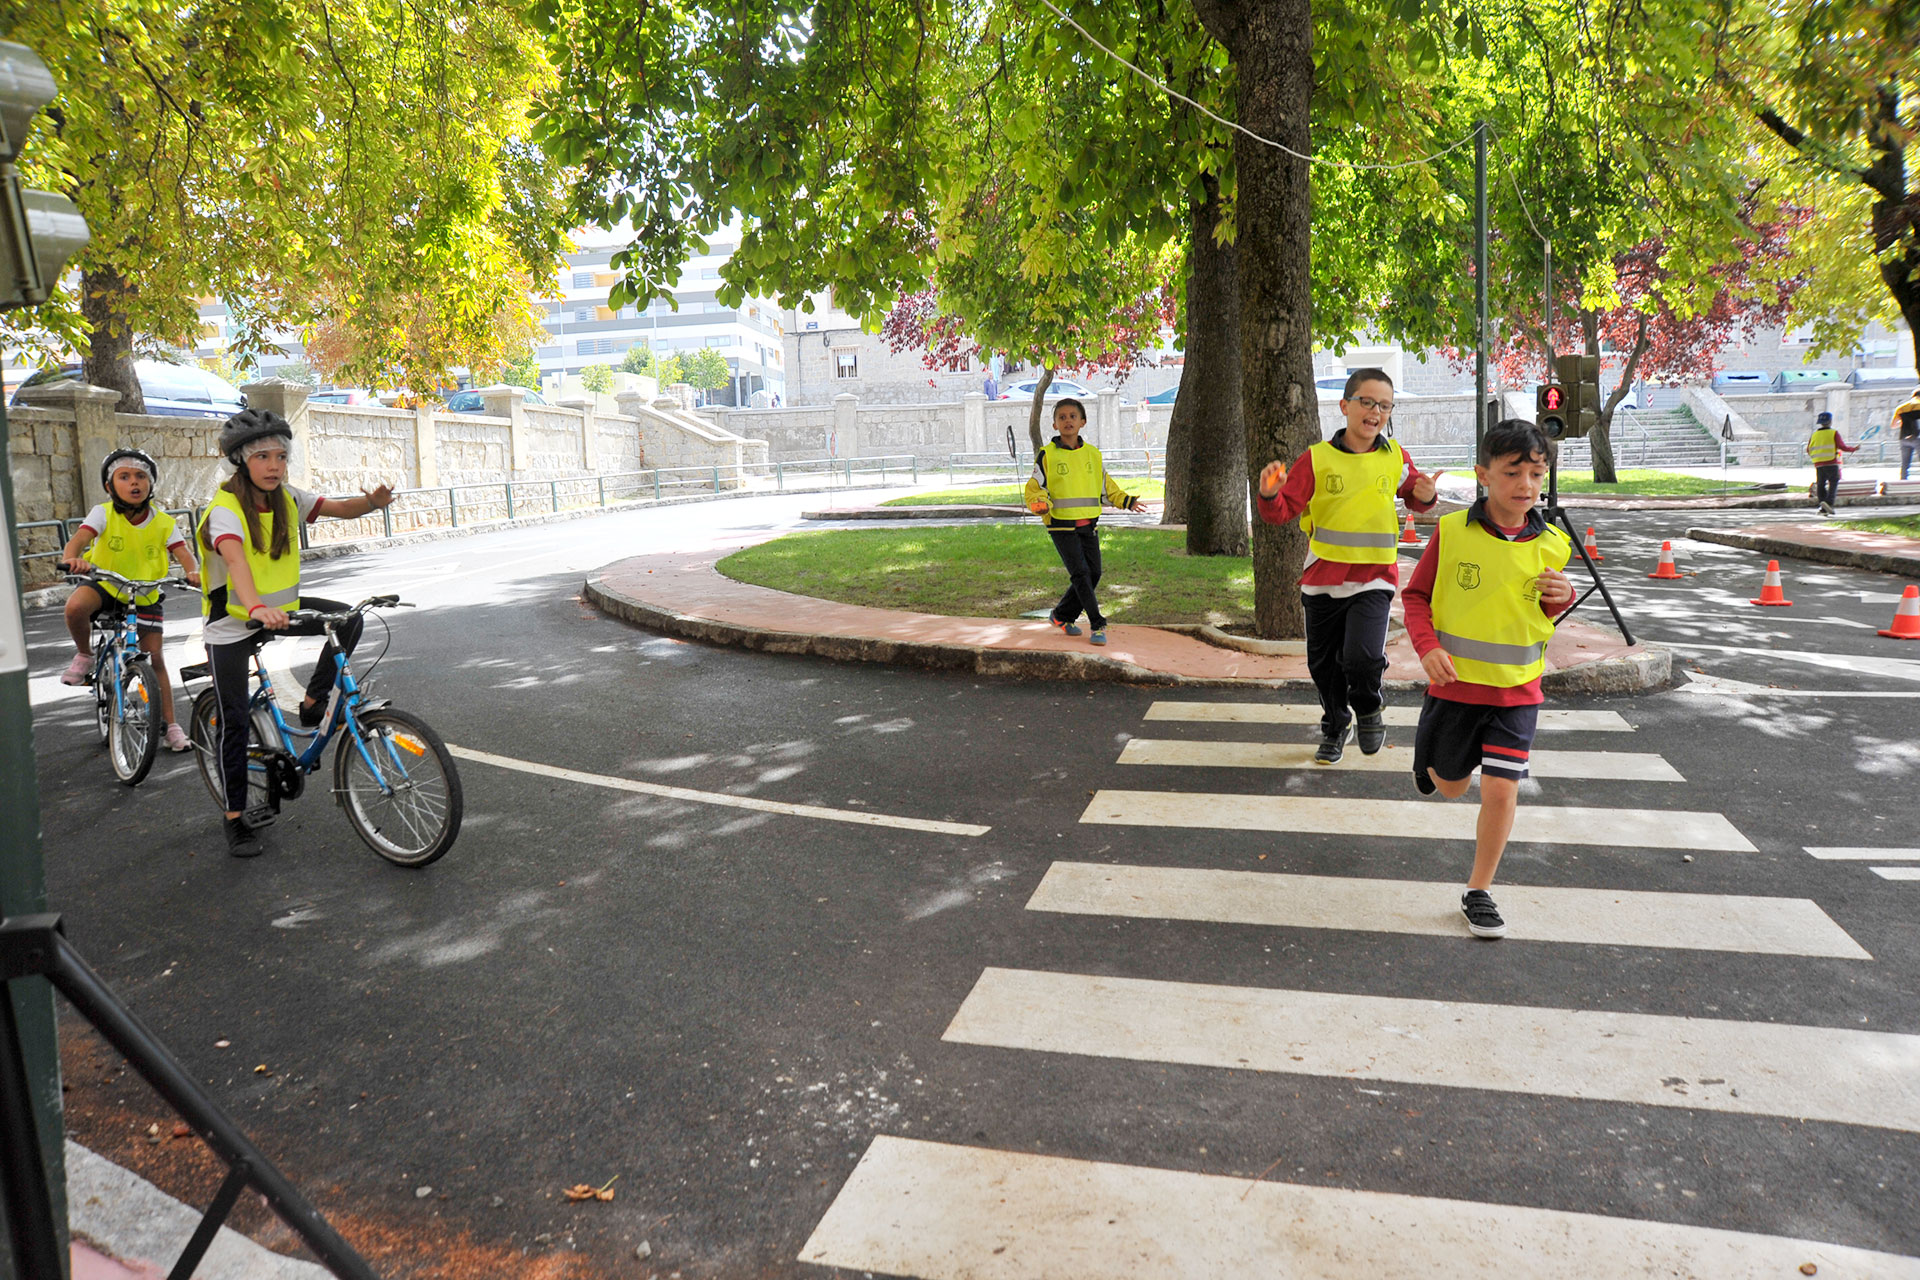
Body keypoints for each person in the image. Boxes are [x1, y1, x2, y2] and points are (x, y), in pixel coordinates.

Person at [1401, 418, 1575, 939]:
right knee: (1450, 788)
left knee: (1501, 791)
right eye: (1512, 472)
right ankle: (1432, 757)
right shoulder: (1452, 533)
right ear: (1483, 475)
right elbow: (1415, 598)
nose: (1525, 485)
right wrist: (1427, 649)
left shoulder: (1554, 544)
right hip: (1455, 689)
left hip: (1518, 693)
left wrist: (1559, 597)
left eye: (1536, 473)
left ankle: (1479, 891)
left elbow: (1542, 613)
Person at [197, 409, 395, 856]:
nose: (274, 465)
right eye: (263, 456)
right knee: (233, 721)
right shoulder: (224, 510)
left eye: (281, 456)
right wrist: (255, 607)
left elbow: (339, 508)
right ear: (240, 461)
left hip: (278, 611)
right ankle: (234, 819)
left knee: (349, 618)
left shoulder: (286, 498)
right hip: (232, 622)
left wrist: (373, 503)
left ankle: (312, 704)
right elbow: (236, 563)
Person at [1255, 368, 1439, 764]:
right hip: (1321, 581)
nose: (1376, 411)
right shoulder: (1316, 459)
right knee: (1323, 668)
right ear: (1345, 406)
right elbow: (1282, 511)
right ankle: (1336, 726)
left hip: (1373, 578)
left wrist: (1426, 495)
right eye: (1367, 402)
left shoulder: (1395, 457)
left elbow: (1415, 495)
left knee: (1361, 657)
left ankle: (1369, 707)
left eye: (1385, 405)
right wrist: (1269, 495)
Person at [57, 449, 201, 751]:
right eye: (124, 477)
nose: (134, 483)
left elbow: (183, 552)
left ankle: (172, 726)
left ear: (150, 485)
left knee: (156, 658)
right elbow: (80, 540)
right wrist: (72, 558)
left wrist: (193, 571)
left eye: (141, 477)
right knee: (75, 607)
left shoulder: (163, 522)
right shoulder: (103, 513)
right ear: (110, 487)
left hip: (145, 592)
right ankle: (85, 655)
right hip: (107, 585)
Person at [1023, 397, 1144, 647]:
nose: (1068, 421)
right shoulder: (1047, 455)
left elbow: (1107, 488)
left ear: (1083, 422)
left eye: (1073, 416)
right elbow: (1035, 487)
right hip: (1060, 525)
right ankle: (1097, 623)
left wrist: (1127, 500)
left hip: (1089, 525)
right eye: (1062, 417)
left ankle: (1061, 615)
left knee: (1094, 573)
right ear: (1055, 424)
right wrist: (1039, 502)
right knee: (1080, 574)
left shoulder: (1093, 455)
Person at [1806, 410, 1857, 514]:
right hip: (1831, 462)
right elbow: (1842, 446)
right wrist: (1853, 449)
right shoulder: (1833, 433)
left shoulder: (1814, 435)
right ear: (1830, 421)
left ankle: (1822, 505)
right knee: (1833, 482)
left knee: (1821, 484)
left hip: (1818, 464)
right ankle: (1828, 503)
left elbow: (1808, 449)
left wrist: (1816, 458)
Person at [1894, 387, 1920, 481]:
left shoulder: (1902, 407)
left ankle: (1903, 482)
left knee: (1905, 464)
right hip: (1917, 437)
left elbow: (1893, 425)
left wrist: (1903, 421)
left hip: (1903, 438)